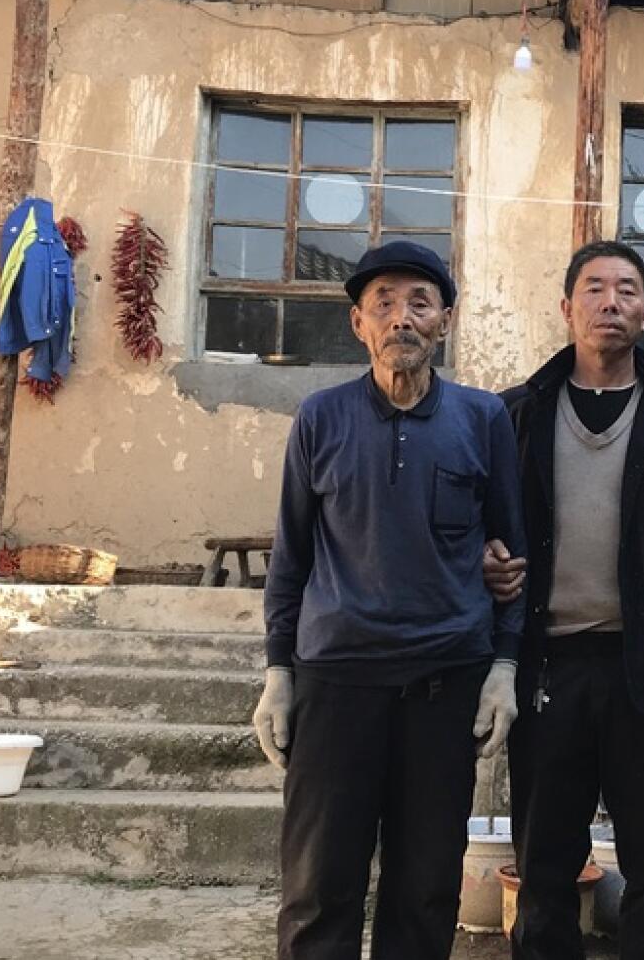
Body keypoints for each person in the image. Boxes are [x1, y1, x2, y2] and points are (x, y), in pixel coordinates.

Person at [252, 240, 525, 960]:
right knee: (318, 887)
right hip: (337, 681)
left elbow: (512, 551)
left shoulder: (483, 418)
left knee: (426, 885)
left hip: (444, 684)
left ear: (444, 321)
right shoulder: (320, 417)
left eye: (419, 302)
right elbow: (292, 554)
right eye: (384, 303)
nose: (401, 317)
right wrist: (279, 671)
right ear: (358, 324)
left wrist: (504, 664)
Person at [484, 239, 644, 960]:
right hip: (548, 668)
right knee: (544, 867)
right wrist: (484, 562)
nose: (610, 302)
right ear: (566, 308)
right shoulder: (516, 415)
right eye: (593, 289)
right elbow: (480, 527)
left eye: (627, 290)